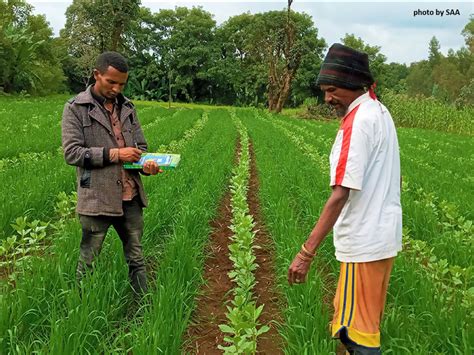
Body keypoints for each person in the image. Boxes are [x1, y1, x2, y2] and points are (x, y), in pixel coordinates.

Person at [287, 43, 402, 354]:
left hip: (363, 243)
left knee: (357, 334)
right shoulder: (378, 111)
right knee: (359, 323)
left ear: (354, 85)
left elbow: (341, 193)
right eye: (325, 90)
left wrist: (305, 253)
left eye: (333, 89)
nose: (327, 98)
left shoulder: (359, 121)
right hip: (380, 239)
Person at [62, 51, 161, 296]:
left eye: (122, 84)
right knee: (88, 262)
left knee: (136, 258)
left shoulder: (128, 108)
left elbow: (140, 149)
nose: (117, 88)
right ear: (97, 74)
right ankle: (81, 308)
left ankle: (144, 307)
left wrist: (145, 165)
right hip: (97, 197)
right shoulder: (76, 108)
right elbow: (73, 153)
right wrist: (117, 154)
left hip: (130, 196)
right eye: (111, 82)